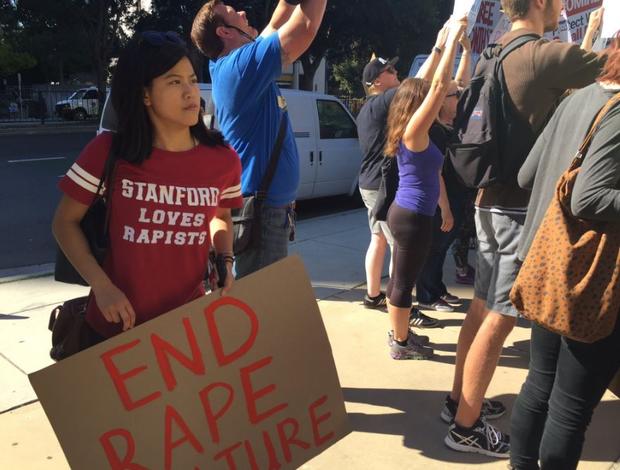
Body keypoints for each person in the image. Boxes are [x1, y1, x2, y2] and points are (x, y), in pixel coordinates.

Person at [443, 0, 605, 458]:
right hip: (517, 208)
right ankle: (465, 427)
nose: (560, 6)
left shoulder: (497, 52)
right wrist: (595, 30)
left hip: (487, 202)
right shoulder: (544, 54)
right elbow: (607, 69)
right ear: (538, 3)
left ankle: (458, 400)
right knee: (500, 318)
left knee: (481, 308)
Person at [52, 31, 242, 339]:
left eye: (192, 80)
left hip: (186, 326)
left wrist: (225, 260)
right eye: (174, 82)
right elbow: (64, 222)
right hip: (114, 327)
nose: (190, 92)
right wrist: (102, 287)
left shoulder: (223, 160)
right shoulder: (110, 151)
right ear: (145, 95)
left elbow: (220, 216)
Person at [509, 36, 620, 470]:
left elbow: (525, 175)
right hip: (586, 278)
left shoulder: (579, 99)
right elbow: (588, 199)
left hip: (547, 264)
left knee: (539, 386)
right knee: (571, 407)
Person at [191, 0, 326, 278]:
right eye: (232, 13)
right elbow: (305, 28)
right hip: (263, 214)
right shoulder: (240, 66)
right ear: (224, 32)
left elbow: (277, 22)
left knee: (263, 305)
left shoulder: (239, 63)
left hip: (267, 209)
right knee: (263, 311)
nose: (242, 13)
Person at [358, 24, 455, 329]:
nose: (394, 72)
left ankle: (374, 294)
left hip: (370, 182)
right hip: (382, 184)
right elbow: (421, 83)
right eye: (388, 70)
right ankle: (402, 308)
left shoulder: (367, 108)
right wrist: (439, 49)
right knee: (399, 252)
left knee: (379, 239)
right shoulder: (383, 101)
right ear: (376, 82)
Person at [384, 17, 466, 360]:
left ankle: (400, 332)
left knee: (403, 279)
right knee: (403, 283)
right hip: (412, 216)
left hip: (416, 213)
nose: (443, 100)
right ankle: (400, 344)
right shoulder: (414, 134)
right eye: (431, 99)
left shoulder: (419, 134)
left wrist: (461, 49)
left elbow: (453, 85)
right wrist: (451, 44)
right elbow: (438, 87)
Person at [416, 34, 474, 313]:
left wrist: (467, 51)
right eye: (455, 96)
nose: (460, 97)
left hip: (456, 198)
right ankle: (427, 295)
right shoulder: (435, 131)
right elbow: (435, 173)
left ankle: (437, 289)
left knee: (440, 249)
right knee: (434, 249)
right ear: (441, 102)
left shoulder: (453, 123)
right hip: (442, 202)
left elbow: (459, 82)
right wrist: (447, 208)